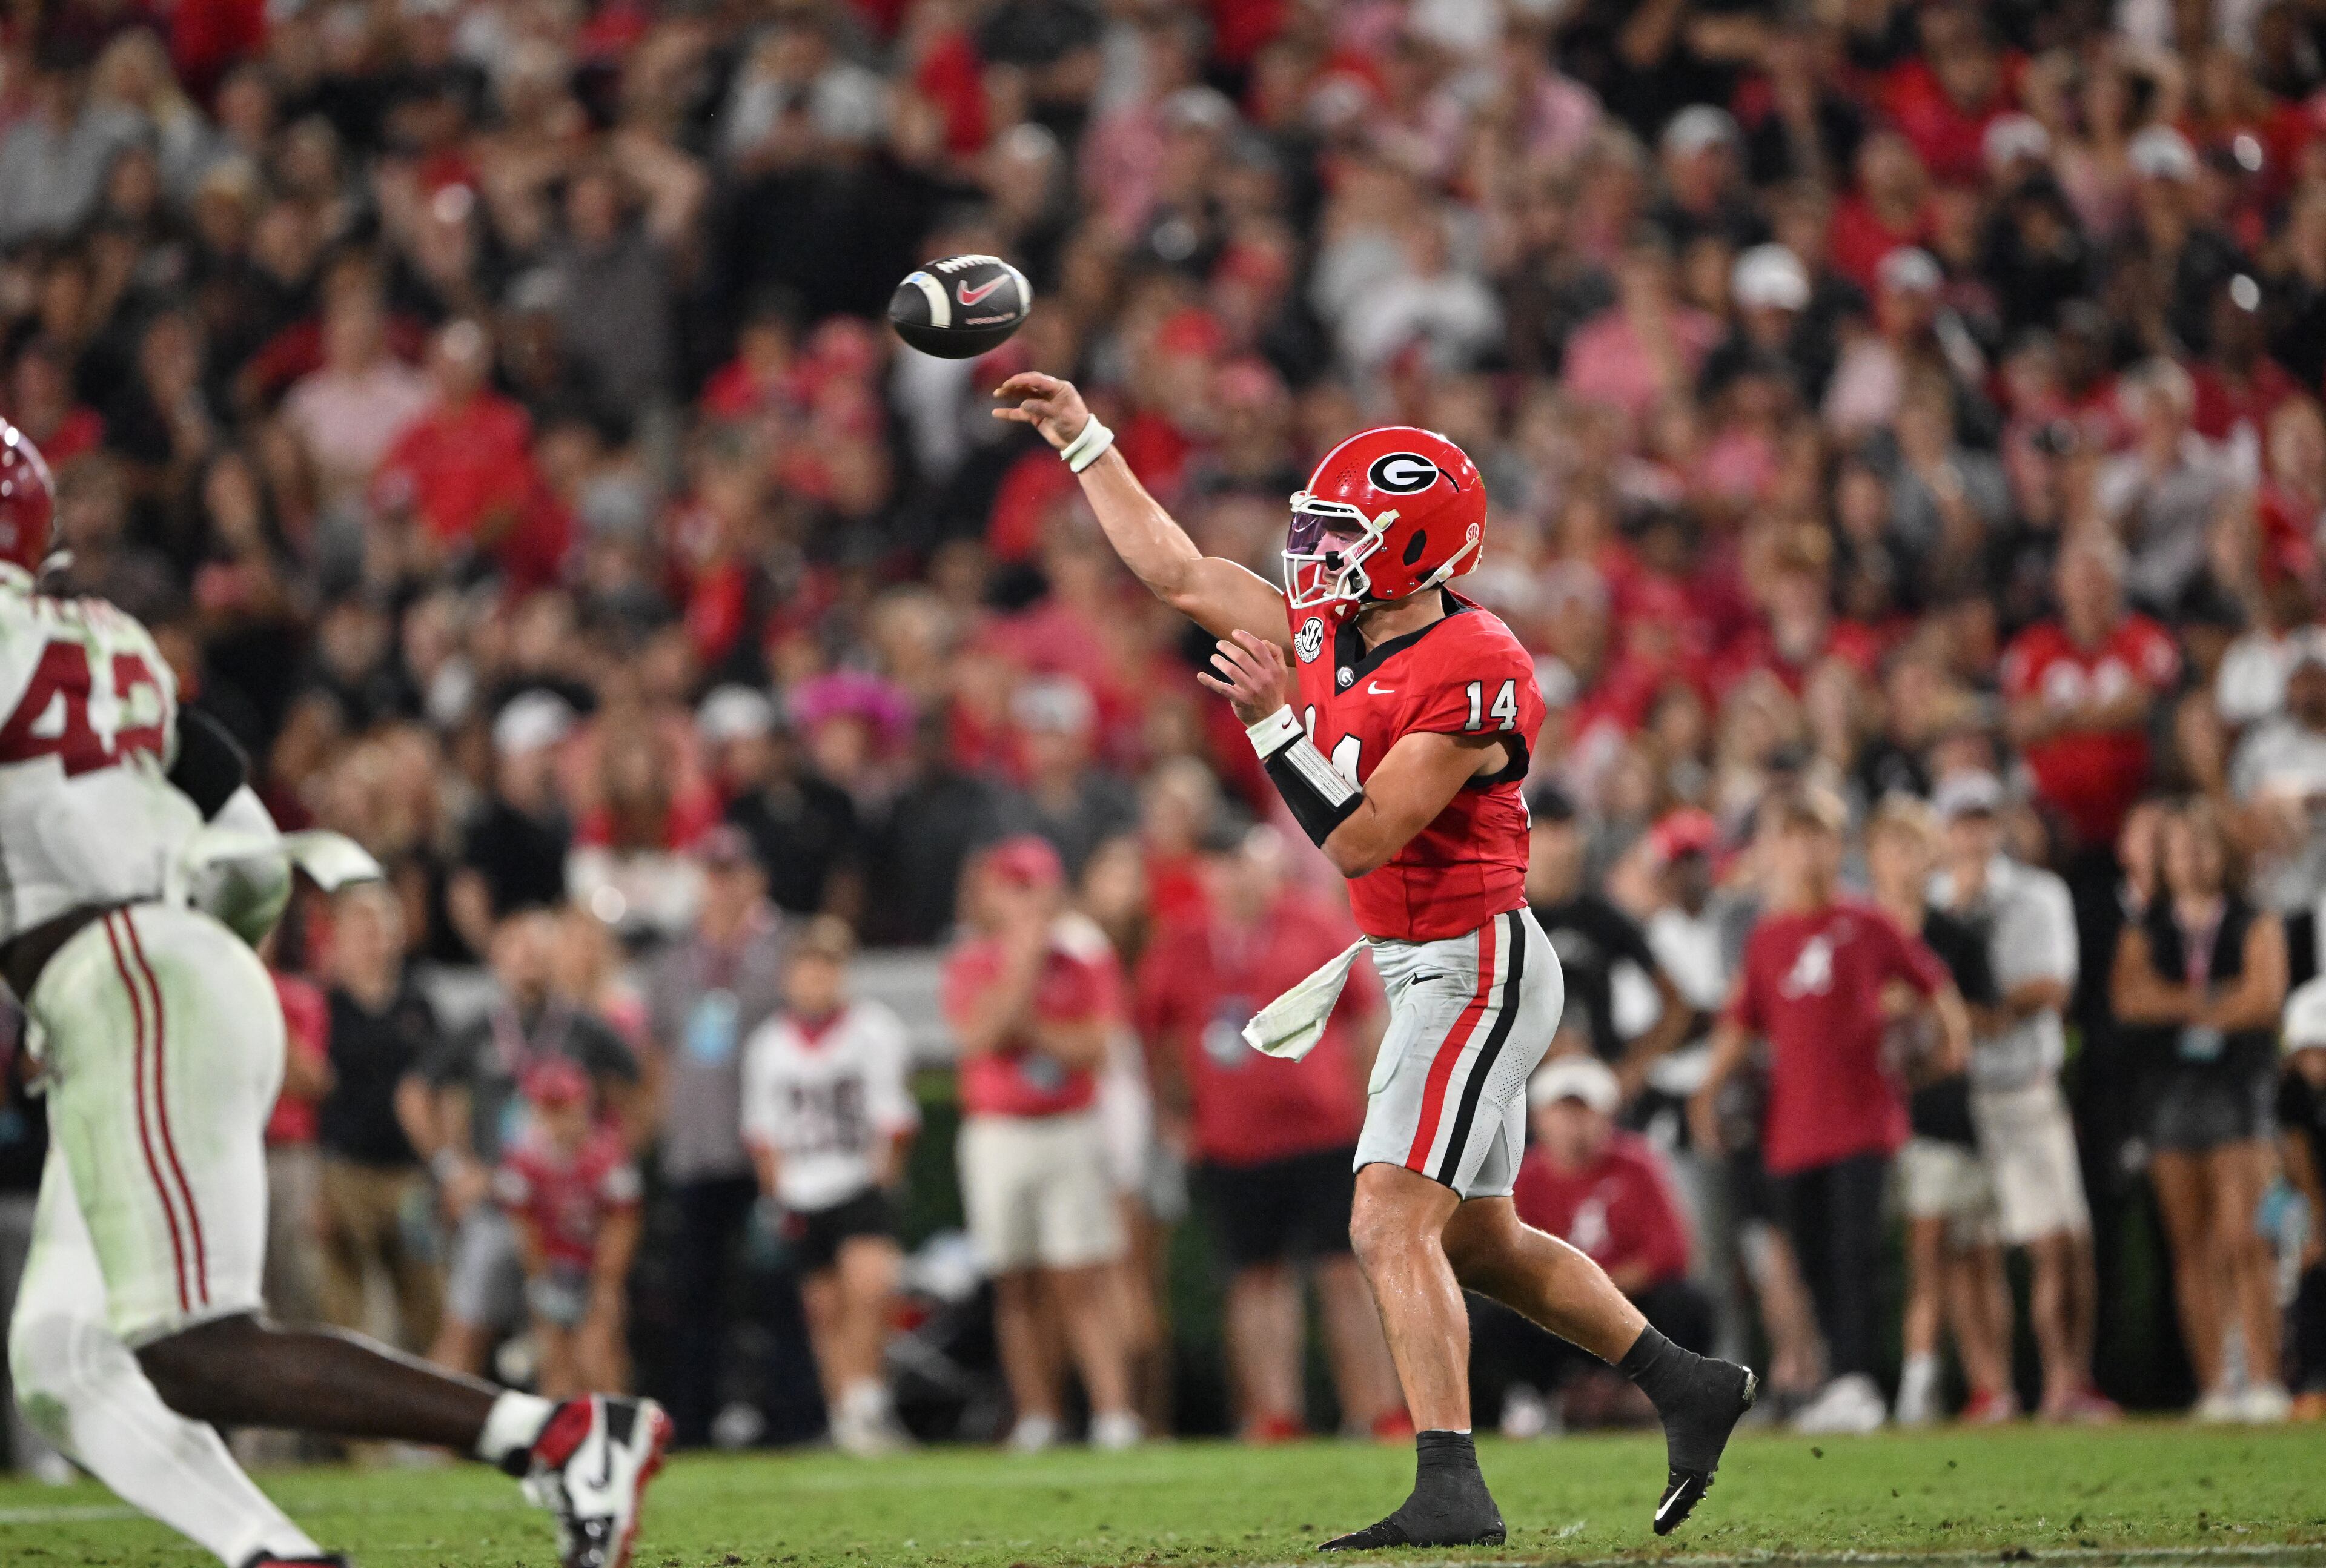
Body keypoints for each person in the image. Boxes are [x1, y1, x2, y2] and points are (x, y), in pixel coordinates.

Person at [996, 375, 1755, 1544]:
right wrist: (1084, 439)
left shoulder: (1474, 658)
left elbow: (1359, 833)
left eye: (1344, 535)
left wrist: (1267, 721)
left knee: (1384, 1219)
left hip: (1475, 959)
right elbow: (1179, 573)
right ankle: (1689, 1382)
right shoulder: (1332, 630)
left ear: (1412, 545)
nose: (1316, 555)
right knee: (1481, 1240)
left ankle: (1451, 1483)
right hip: (1421, 960)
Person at [0, 424, 669, 1568]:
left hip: (124, 981)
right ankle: (275, 1552)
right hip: (165, 974)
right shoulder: (109, 639)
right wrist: (197, 974)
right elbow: (255, 852)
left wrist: (137, 992)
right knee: (63, 1358)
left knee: (197, 1345)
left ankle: (556, 1432)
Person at [1693, 786, 1972, 1435]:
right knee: (1814, 1260)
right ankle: (1840, 1378)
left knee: (1855, 1254)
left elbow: (1933, 985)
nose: (1806, 850)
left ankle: (1858, 1382)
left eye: (1817, 835)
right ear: (1776, 852)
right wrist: (1706, 1090)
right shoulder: (1768, 938)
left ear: (1836, 845)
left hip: (1862, 1119)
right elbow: (1742, 1022)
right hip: (1794, 1129)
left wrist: (1948, 1048)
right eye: (1793, 837)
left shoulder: (1869, 923)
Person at [1135, 825, 1405, 1442]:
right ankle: (1275, 1413)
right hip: (1235, 1142)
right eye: (1222, 866)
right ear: (1204, 875)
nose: (1236, 879)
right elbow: (1158, 1039)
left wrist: (1372, 1103)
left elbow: (1367, 1017)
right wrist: (1174, 1116)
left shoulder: (1313, 925)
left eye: (1245, 865)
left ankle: (1378, 1408)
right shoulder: (1180, 945)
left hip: (1326, 1132)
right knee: (1258, 1279)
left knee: (1345, 1273)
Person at [941, 835, 1142, 1452]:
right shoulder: (972, 960)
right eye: (1018, 886)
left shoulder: (1083, 959)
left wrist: (1026, 1024)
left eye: (1038, 886)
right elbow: (978, 1038)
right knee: (1015, 1282)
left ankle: (1112, 1413)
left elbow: (1097, 1050)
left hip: (1067, 1125)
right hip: (999, 1131)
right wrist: (1023, 975)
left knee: (1083, 1276)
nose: (1031, 900)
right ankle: (1038, 1414)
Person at [1933, 772, 2118, 1422]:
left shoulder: (2037, 894)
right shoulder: (1929, 903)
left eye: (1981, 819)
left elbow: (2051, 989)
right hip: (1952, 1097)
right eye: (1960, 821)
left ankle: (2069, 1384)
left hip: (2023, 1085)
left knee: (2059, 1242)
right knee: (1966, 1250)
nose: (1972, 834)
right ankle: (1993, 1390)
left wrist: (1970, 1015)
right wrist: (1971, 1017)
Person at [403, 906, 641, 1384]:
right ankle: (431, 1447)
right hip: (498, 1199)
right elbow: (414, 1093)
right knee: (467, 1327)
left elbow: (640, 1082)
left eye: (540, 949)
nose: (529, 960)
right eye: (518, 949)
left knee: (587, 1334)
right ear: (497, 958)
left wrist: (614, 1152)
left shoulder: (583, 1026)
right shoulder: (478, 1027)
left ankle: (604, 1435)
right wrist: (451, 1167)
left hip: (568, 1206)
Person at [2110, 800, 2293, 1421]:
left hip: (2239, 1089)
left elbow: (2264, 1001)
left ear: (2224, 852)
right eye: (2179, 845)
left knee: (2247, 1239)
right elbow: (2129, 999)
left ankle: (2265, 1379)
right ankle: (2216, 1383)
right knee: (2191, 1247)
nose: (2190, 857)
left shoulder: (2253, 918)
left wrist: (2181, 1005)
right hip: (2171, 1094)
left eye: (2202, 844)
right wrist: (2216, 1001)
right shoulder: (2147, 924)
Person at [741, 915, 917, 1456]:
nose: (816, 979)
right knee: (824, 1306)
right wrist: (777, 1195)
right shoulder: (769, 1043)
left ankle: (866, 1397)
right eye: (807, 968)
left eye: (826, 967)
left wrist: (882, 1175)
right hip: (802, 1184)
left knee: (871, 1287)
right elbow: (763, 1132)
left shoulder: (875, 1029)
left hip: (856, 1175)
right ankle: (847, 1412)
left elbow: (895, 1116)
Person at [1865, 794, 2013, 1426]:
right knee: (1933, 1254)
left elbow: (1982, 1018)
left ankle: (1963, 1384)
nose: (1902, 862)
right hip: (1877, 1114)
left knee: (1960, 1253)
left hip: (1943, 1110)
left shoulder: (1954, 935)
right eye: (1890, 848)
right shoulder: (1860, 934)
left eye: (1912, 848)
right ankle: (1950, 1383)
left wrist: (1924, 1010)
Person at [640, 824, 788, 1448]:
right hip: (696, 1150)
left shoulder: (785, 949)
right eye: (714, 875)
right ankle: (694, 1422)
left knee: (777, 1293)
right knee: (695, 1297)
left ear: (756, 879)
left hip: (768, 1149)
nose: (723, 888)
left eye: (733, 874)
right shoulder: (674, 962)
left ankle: (793, 1419)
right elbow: (655, 1054)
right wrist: (659, 1130)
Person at [1491, 1056, 1714, 1429]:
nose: (1574, 1125)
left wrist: (1595, 1289)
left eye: (1584, 1113)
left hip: (1625, 1301)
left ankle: (1663, 1394)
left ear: (1607, 1117)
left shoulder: (1637, 1166)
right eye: (1563, 1113)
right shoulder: (1522, 1179)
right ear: (1540, 1119)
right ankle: (1528, 1397)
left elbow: (1671, 1253)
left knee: (1685, 1302)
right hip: (1554, 1309)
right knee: (1492, 1316)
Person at [319, 884, 443, 1356]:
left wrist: (444, 1168)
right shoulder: (326, 1005)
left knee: (429, 1302)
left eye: (384, 923)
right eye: (363, 923)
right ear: (341, 935)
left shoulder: (419, 1005)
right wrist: (318, 1185)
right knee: (346, 1313)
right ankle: (361, 1432)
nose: (375, 935)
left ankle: (435, 1424)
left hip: (409, 1174)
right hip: (345, 1170)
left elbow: (443, 1095)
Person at [1525, 785, 1693, 1090]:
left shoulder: (1602, 917)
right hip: (1523, 1089)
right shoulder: (1508, 918)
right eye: (1549, 831)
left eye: (1566, 830)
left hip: (1598, 1087)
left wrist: (1633, 1068)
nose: (1559, 845)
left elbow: (1675, 1002)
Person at [495, 1057, 643, 1401]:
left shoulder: (608, 1157)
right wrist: (540, 1279)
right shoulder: (523, 1161)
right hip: (552, 1265)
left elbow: (622, 1227)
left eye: (563, 1108)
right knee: (555, 1363)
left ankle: (615, 1435)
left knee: (599, 1356)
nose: (557, 1120)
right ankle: (561, 1444)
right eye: (548, 1109)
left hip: (596, 1266)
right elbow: (524, 1229)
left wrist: (604, 1285)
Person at [2277, 977, 2326, 1418]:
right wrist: (2316, 1221)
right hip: (2312, 1197)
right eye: (2307, 1052)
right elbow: (2298, 1152)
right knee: (2306, 1269)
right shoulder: (2292, 1090)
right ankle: (2311, 1383)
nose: (2315, 1064)